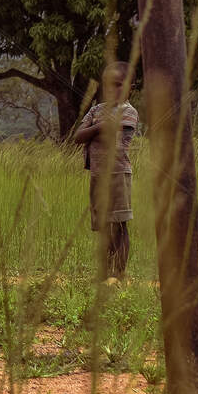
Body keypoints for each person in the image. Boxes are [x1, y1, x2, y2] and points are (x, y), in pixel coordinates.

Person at [72, 62, 140, 283]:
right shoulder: (96, 109)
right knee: (103, 226)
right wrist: (100, 128)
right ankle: (104, 273)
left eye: (119, 85)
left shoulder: (129, 111)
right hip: (97, 175)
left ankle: (118, 274)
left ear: (131, 87)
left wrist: (95, 130)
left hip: (118, 174)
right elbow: (78, 136)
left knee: (119, 224)